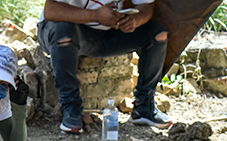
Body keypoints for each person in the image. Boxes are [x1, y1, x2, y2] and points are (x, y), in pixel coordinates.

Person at [38, 0, 173, 134]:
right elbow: (51, 10)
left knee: (157, 33)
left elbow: (147, 5)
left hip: (107, 33)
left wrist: (135, 20)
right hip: (66, 30)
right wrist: (96, 15)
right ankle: (71, 107)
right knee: (63, 31)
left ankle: (144, 106)